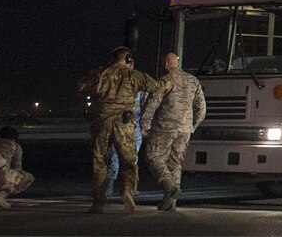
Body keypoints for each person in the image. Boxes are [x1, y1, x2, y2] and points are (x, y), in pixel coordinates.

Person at [83, 46, 173, 213]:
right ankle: (127, 190)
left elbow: (81, 87)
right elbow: (157, 86)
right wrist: (171, 77)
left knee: (100, 161)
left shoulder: (99, 74)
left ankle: (99, 202)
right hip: (123, 124)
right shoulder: (133, 75)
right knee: (129, 161)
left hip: (101, 122)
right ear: (128, 60)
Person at [140, 51, 206, 212]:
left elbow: (152, 104)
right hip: (184, 129)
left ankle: (169, 186)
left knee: (153, 155)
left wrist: (145, 124)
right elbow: (201, 108)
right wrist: (192, 126)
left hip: (165, 126)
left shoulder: (166, 80)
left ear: (166, 64)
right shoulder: (193, 81)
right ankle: (170, 202)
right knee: (174, 162)